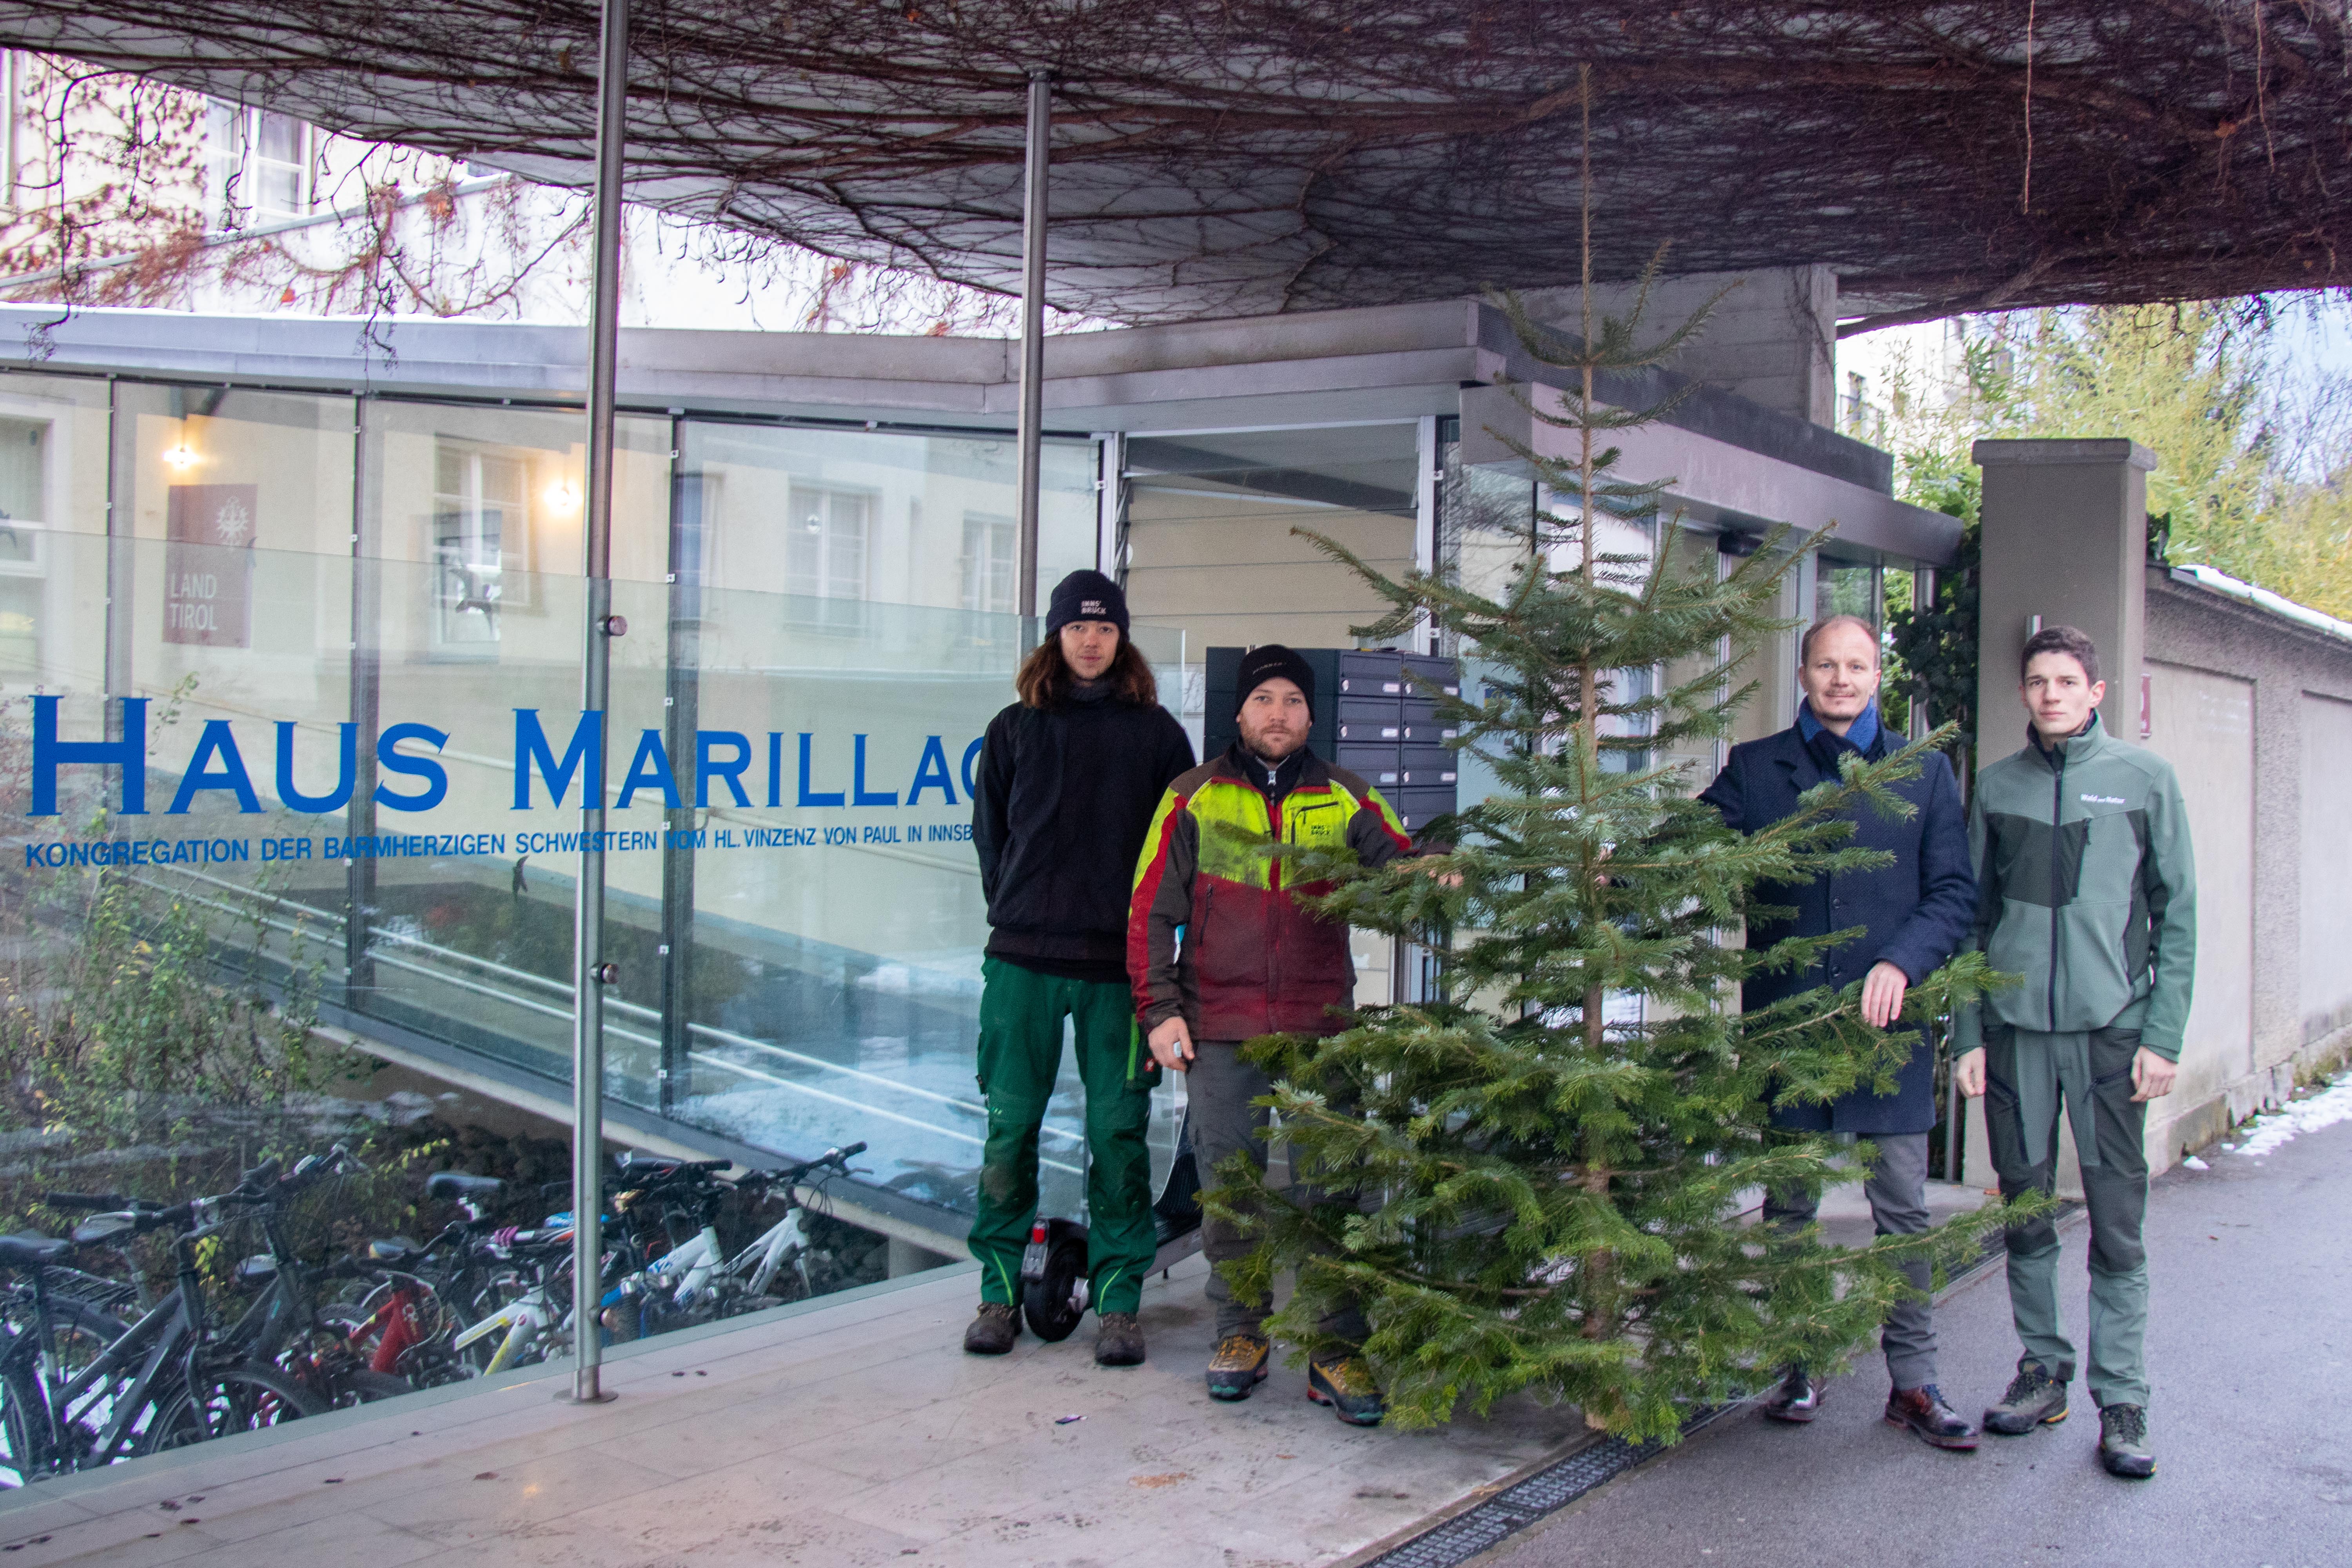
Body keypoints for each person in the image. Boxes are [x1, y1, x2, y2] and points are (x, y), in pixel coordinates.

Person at [1127, 645, 1432, 1425]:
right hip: (1221, 1026)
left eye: (1293, 700)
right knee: (1232, 1187)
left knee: (1330, 1187)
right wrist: (1160, 1009)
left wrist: (1434, 867)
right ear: (1239, 710)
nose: (1277, 713)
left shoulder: (1343, 795)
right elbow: (1148, 911)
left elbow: (1400, 860)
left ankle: (1337, 1347)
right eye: (1264, 697)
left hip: (1320, 1022)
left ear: (1310, 714)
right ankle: (1240, 1333)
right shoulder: (1192, 797)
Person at [1699, 613, 1978, 1449]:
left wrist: (1901, 961)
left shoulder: (1923, 771)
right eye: (1828, 665)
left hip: (1886, 1026)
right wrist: (1617, 864)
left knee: (1902, 1205)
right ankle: (1798, 1359)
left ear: (1878, 675)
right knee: (1790, 1206)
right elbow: (1691, 845)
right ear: (1805, 673)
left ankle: (1915, 1380)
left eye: (1857, 665)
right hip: (1788, 1022)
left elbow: (1954, 894)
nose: (1842, 679)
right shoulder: (1756, 769)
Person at [1953, 624, 2194, 1480]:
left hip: (2111, 1040)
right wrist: (1970, 1034)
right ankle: (2042, 1369)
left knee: (2117, 1227)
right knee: (2025, 1211)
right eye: (2037, 680)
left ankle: (2122, 1396)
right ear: (2024, 693)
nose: (2051, 692)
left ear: (2096, 691)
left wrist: (2161, 1035)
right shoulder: (1999, 787)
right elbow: (1973, 919)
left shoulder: (2144, 781)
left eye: (2066, 680)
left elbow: (2178, 915)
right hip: (2016, 1037)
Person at [964, 570, 1195, 1367]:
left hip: (1116, 971)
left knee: (1117, 1133)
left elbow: (1178, 856)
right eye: (1076, 628)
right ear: (1055, 636)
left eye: (1104, 628)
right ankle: (998, 1293)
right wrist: (1022, 910)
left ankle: (1121, 1301)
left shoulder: (1160, 735)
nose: (1090, 640)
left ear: (1121, 637)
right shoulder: (1013, 728)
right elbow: (991, 837)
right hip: (1022, 963)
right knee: (1009, 1128)